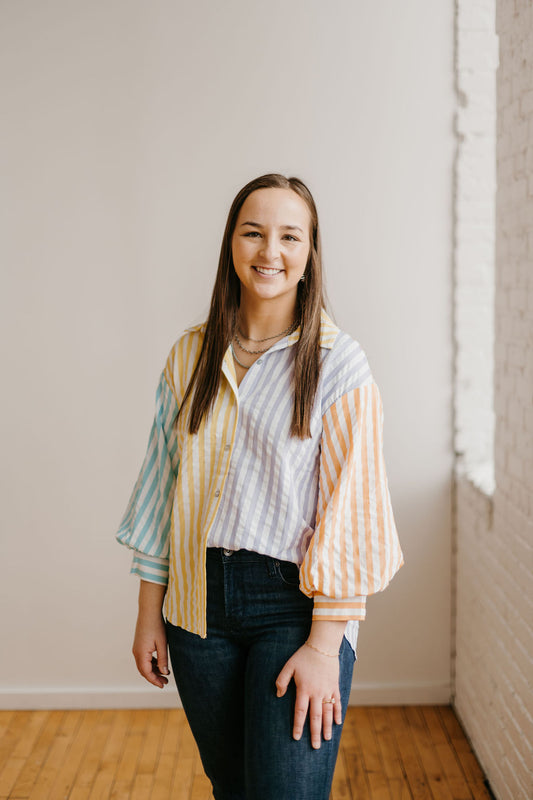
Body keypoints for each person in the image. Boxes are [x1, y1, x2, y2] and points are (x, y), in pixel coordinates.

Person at [116, 173, 404, 800]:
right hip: (197, 610)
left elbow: (352, 513)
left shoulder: (339, 363)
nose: (269, 251)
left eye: (288, 236)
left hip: (294, 609)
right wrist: (149, 613)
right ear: (231, 245)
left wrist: (326, 647)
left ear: (309, 255)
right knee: (236, 788)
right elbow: (161, 491)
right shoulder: (188, 355)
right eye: (253, 232)